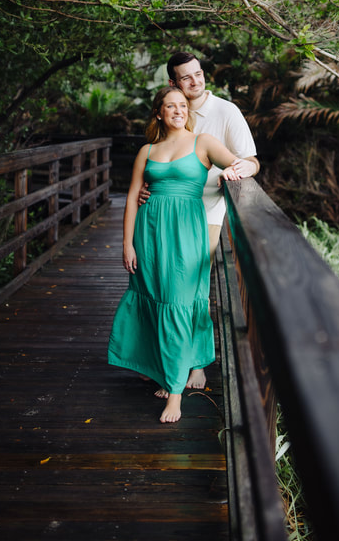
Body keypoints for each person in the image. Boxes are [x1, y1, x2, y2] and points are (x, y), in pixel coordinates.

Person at [108, 86, 252, 424]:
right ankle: (164, 368)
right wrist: (127, 244)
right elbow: (131, 197)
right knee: (152, 296)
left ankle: (176, 391)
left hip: (185, 233)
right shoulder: (147, 150)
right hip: (149, 232)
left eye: (182, 105)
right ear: (159, 112)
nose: (178, 110)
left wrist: (236, 172)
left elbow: (243, 164)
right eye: (170, 106)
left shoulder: (202, 142)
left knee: (180, 300)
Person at [139, 51, 259, 261]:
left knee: (192, 276)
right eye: (186, 77)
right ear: (173, 82)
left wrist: (241, 168)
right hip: (163, 213)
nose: (195, 82)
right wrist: (144, 185)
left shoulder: (227, 111)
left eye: (198, 74)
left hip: (207, 213)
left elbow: (251, 161)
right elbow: (157, 155)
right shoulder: (172, 112)